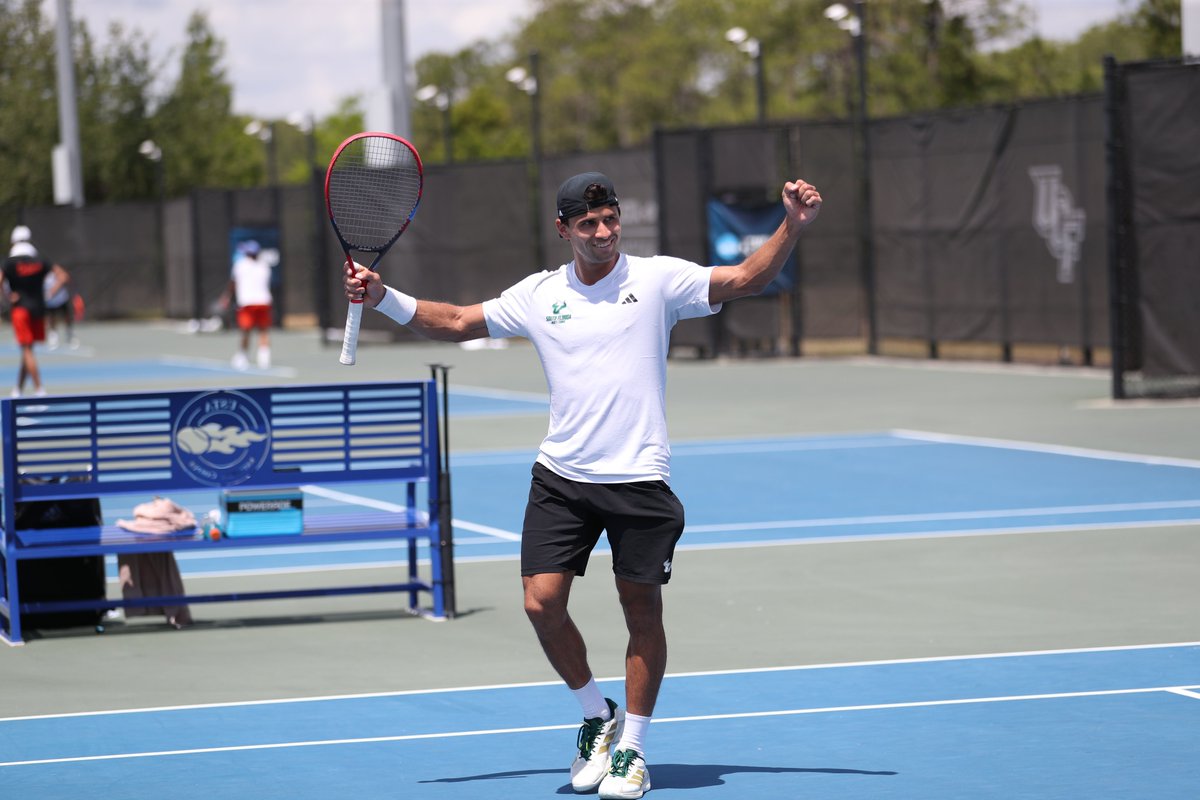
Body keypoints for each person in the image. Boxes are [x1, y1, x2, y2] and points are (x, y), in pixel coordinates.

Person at [343, 172, 822, 799]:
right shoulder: (540, 295)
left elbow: (746, 279)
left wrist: (792, 225)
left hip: (639, 480)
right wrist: (382, 297)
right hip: (561, 478)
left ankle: (634, 751)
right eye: (589, 223)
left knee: (641, 612)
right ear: (564, 229)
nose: (604, 232)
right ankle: (598, 715)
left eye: (611, 219)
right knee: (541, 603)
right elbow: (457, 320)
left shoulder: (657, 281)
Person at [4, 226, 71, 397]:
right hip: (38, 309)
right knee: (29, 350)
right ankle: (18, 389)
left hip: (20, 310)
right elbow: (63, 276)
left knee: (27, 350)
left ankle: (39, 390)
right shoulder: (40, 260)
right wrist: (52, 292)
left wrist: (7, 296)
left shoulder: (10, 262)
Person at [220, 239, 273, 369]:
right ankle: (264, 357)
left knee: (245, 331)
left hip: (247, 303)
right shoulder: (264, 266)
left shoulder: (240, 265)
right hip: (263, 302)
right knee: (263, 330)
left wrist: (226, 297)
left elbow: (233, 283)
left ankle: (243, 356)